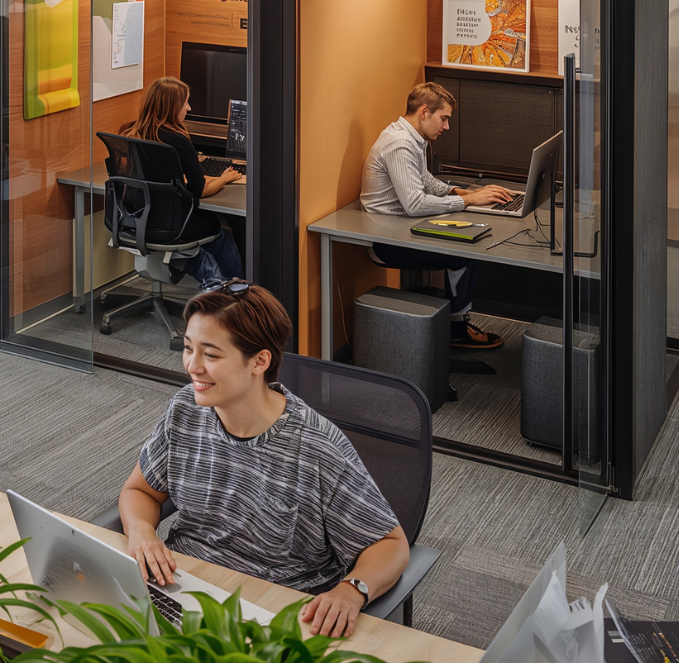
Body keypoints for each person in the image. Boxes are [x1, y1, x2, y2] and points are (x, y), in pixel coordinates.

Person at [117, 281, 410, 638]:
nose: (192, 366)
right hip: (180, 583)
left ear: (259, 361)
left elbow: (390, 544)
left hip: (271, 609)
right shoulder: (185, 410)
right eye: (188, 348)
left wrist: (352, 591)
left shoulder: (316, 446)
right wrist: (142, 532)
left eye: (210, 355)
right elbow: (140, 491)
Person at [359, 82, 510, 349]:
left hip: (403, 228)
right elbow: (415, 204)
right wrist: (467, 200)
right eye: (444, 118)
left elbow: (424, 180)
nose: (447, 126)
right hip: (387, 241)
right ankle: (456, 329)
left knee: (472, 238)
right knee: (463, 252)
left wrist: (458, 190)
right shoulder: (399, 144)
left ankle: (456, 321)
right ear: (425, 112)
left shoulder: (411, 137)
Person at [119, 77, 244, 289]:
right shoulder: (177, 139)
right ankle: (239, 291)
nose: (189, 107)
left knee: (196, 237)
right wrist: (224, 178)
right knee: (221, 232)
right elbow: (200, 190)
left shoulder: (131, 132)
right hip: (173, 222)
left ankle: (204, 276)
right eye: (185, 102)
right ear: (172, 107)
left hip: (136, 217)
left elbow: (158, 176)